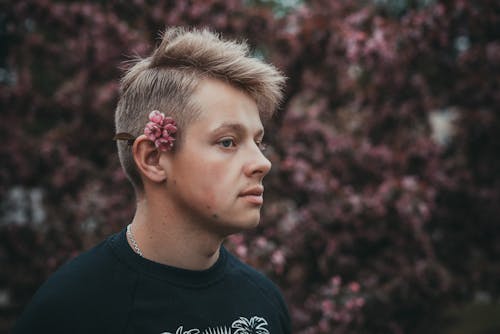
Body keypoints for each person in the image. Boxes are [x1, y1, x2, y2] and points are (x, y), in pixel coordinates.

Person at [13, 27, 290, 334]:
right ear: (152, 158)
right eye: (228, 142)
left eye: (259, 142)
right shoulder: (70, 312)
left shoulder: (264, 304)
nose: (262, 163)